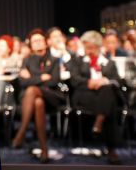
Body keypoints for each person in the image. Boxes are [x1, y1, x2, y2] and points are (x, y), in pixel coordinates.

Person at [12, 29, 63, 163]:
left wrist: (33, 78)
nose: (37, 43)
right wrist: (42, 77)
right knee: (38, 102)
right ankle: (44, 150)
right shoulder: (27, 60)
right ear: (31, 45)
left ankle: (22, 131)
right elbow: (22, 82)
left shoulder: (55, 60)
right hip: (32, 100)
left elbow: (54, 81)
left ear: (46, 43)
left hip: (52, 96)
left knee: (32, 90)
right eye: (34, 41)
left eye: (40, 40)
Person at [70, 30, 121, 164]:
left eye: (92, 47)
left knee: (107, 90)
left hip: (103, 97)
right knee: (109, 104)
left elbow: (118, 81)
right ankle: (112, 150)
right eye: (87, 47)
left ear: (98, 47)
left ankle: (98, 122)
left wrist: (104, 81)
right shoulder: (78, 61)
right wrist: (89, 82)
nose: (89, 50)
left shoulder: (109, 63)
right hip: (85, 96)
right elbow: (74, 80)